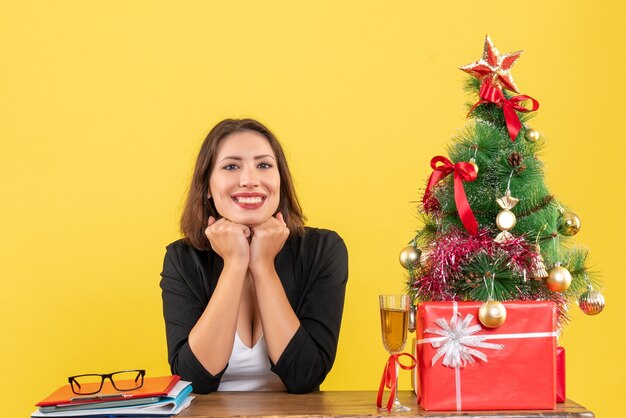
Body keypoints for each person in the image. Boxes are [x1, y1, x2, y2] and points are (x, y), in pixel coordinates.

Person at [160, 118, 348, 394]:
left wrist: (262, 265)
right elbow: (194, 380)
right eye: (231, 166)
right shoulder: (182, 259)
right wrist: (235, 263)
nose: (249, 180)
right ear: (208, 187)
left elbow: (305, 377)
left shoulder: (324, 250)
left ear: (280, 181)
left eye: (264, 165)